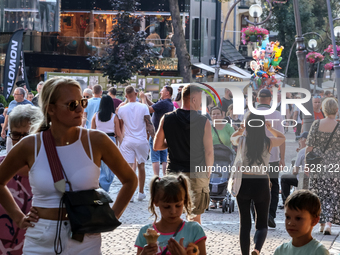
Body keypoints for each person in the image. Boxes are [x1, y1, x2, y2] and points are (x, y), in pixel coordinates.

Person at [0, 77, 138, 254]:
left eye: (82, 102)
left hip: (85, 238)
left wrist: (112, 216)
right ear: (51, 109)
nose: (80, 109)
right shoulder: (30, 145)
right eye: (72, 104)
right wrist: (18, 218)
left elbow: (130, 180)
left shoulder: (97, 141)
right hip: (41, 238)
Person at [153, 84, 214, 224]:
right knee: (195, 216)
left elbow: (157, 146)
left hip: (174, 172)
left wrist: (172, 142)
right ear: (193, 99)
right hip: (197, 173)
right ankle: (194, 245)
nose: (200, 103)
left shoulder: (167, 118)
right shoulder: (204, 121)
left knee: (173, 214)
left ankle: (174, 243)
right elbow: (209, 151)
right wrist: (208, 171)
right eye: (199, 99)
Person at [230, 113, 286, 255]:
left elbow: (232, 138)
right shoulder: (268, 141)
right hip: (261, 182)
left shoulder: (241, 140)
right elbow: (282, 138)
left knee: (245, 223)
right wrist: (270, 127)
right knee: (262, 223)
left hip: (244, 181)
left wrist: (241, 129)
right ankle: (257, 249)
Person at [0, 105, 43, 255]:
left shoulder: (51, 172)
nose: (20, 141)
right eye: (15, 135)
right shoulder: (1, 166)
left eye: (27, 136)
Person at [135, 174, 207, 255]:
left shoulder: (194, 231)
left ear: (184, 200)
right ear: (155, 202)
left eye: (178, 205)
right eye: (167, 206)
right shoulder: (145, 233)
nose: (173, 211)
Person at [305, 97, 340, 235]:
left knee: (318, 192)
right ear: (336, 110)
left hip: (318, 163)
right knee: (332, 193)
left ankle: (320, 222)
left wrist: (307, 164)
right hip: (335, 163)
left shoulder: (316, 123)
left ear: (324, 110)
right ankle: (329, 224)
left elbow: (309, 147)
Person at [118, 85, 154, 202]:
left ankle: (130, 194)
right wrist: (154, 138)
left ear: (126, 96)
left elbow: (120, 123)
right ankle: (141, 192)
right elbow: (149, 124)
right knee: (141, 166)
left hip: (128, 140)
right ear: (136, 94)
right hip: (141, 140)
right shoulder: (143, 107)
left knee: (129, 168)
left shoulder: (122, 109)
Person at [256, 88, 286, 228]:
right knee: (273, 186)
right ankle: (270, 215)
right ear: (270, 99)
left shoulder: (250, 114)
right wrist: (282, 158)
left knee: (255, 184)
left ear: (258, 99)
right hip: (272, 157)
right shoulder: (277, 115)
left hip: (254, 157)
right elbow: (282, 138)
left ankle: (257, 215)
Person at [273, 190, 329, 255]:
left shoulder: (319, 252)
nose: (290, 223)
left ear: (314, 221)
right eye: (288, 217)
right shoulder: (280, 251)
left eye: (298, 218)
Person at [140, 86, 174, 177]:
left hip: (156, 133)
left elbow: (148, 109)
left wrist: (143, 99)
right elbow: (153, 106)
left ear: (167, 93)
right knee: (164, 158)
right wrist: (146, 99)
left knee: (155, 157)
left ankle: (156, 177)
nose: (160, 92)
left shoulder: (164, 103)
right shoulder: (168, 103)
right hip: (165, 133)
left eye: (162, 91)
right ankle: (165, 176)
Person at [91, 95, 122, 192]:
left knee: (99, 165)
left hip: (97, 140)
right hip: (110, 141)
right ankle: (104, 187)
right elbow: (118, 134)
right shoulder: (114, 117)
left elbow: (92, 131)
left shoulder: (96, 115)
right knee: (110, 167)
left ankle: (98, 183)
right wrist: (121, 146)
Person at [279, 132, 308, 209]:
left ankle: (286, 203)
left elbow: (295, 171)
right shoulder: (317, 150)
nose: (299, 141)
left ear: (305, 140)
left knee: (284, 178)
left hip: (303, 179)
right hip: (314, 178)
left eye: (300, 139)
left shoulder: (302, 152)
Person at [1, 87, 33, 152]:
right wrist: (3, 129)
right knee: (9, 153)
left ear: (22, 95)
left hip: (22, 135)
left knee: (21, 153)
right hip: (10, 134)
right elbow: (7, 116)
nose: (14, 95)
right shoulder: (12, 103)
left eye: (16, 94)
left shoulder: (29, 105)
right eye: (14, 94)